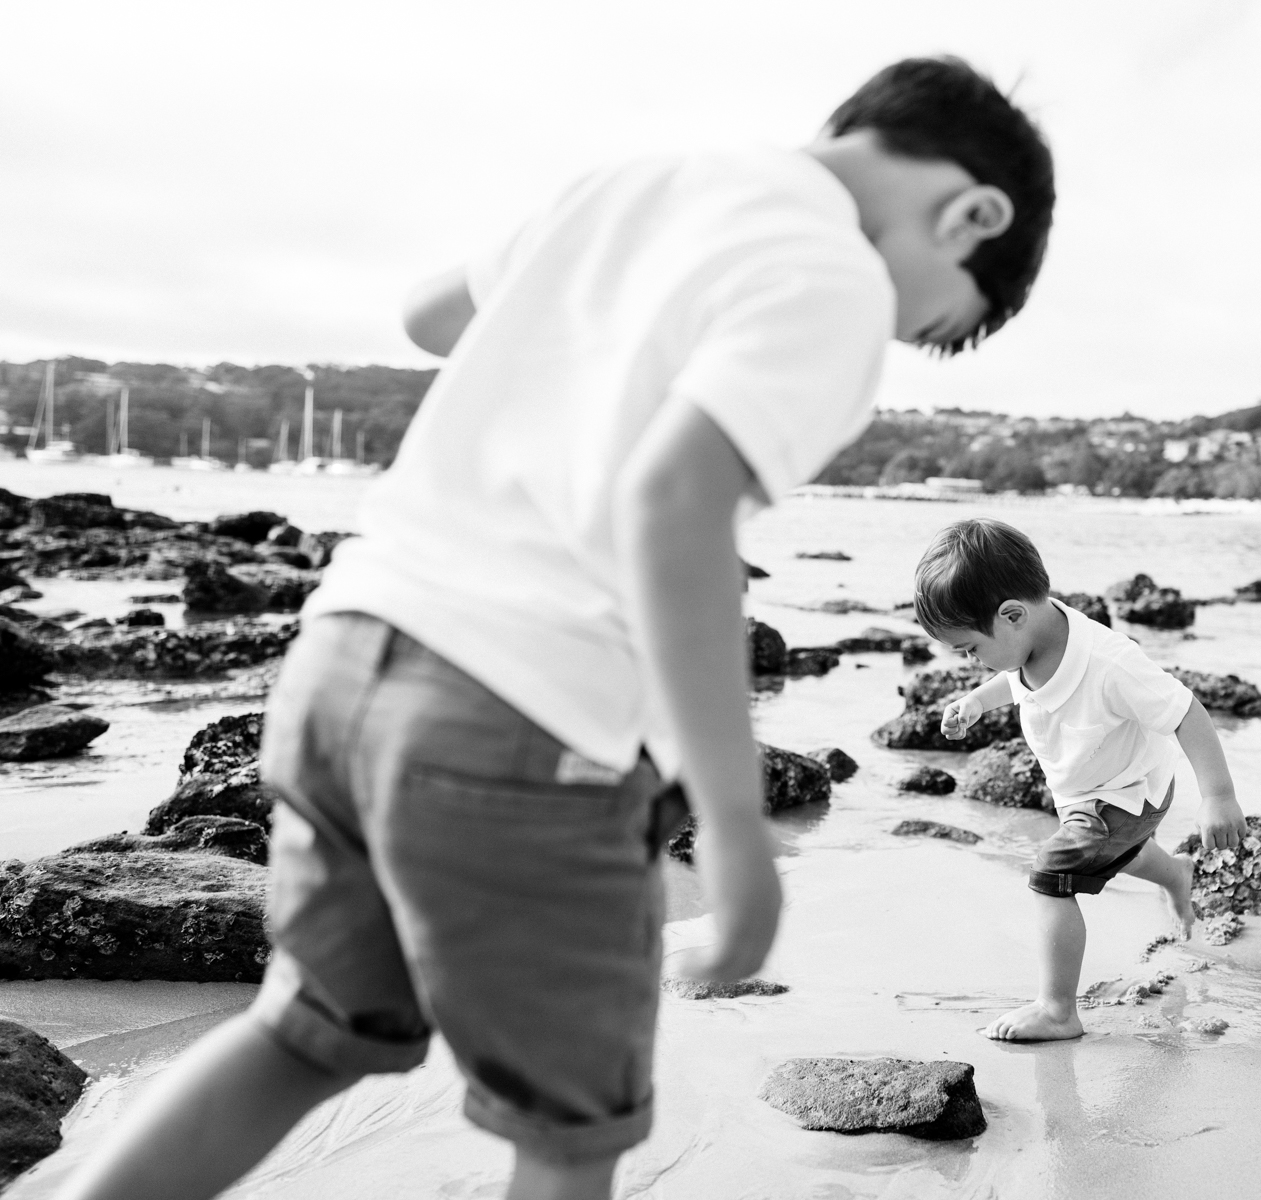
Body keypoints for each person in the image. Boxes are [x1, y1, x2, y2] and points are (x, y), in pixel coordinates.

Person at [56, 57, 1054, 1200]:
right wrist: (730, 819)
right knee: (572, 1135)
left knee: (310, 1032)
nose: (904, 331)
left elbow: (429, 314)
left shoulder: (637, 180)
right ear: (974, 213)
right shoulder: (834, 278)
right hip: (518, 719)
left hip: (345, 661)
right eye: (936, 319)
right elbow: (670, 505)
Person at [918, 518, 1247, 1043]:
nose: (969, 659)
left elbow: (1187, 711)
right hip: (1091, 790)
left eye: (968, 648)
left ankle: (1057, 1010)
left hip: (1128, 793)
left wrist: (1218, 796)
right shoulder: (1031, 639)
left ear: (1012, 615)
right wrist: (978, 700)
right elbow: (1016, 678)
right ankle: (1175, 875)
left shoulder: (1110, 663)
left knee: (1052, 877)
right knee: (1119, 852)